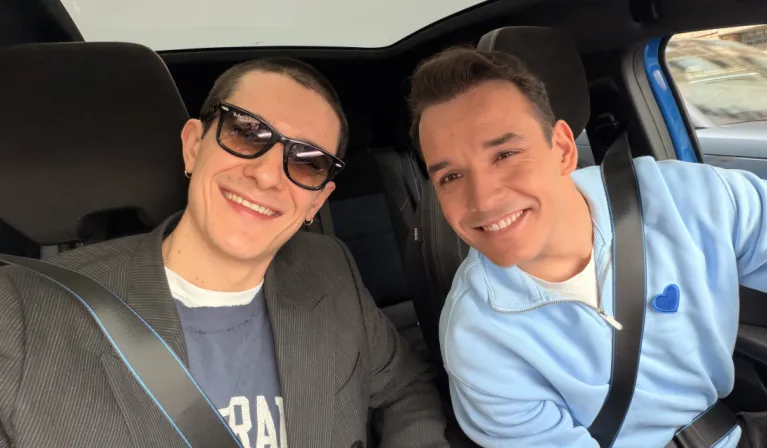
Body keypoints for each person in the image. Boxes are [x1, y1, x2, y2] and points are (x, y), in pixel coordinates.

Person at [0, 57, 449, 448]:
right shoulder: (20, 308)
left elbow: (406, 388)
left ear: (317, 201)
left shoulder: (328, 269)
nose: (268, 175)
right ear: (193, 146)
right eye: (248, 132)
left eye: (307, 160)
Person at [408, 47, 767, 447]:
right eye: (451, 177)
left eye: (505, 154)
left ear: (562, 149)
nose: (484, 199)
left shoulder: (687, 197)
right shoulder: (477, 337)